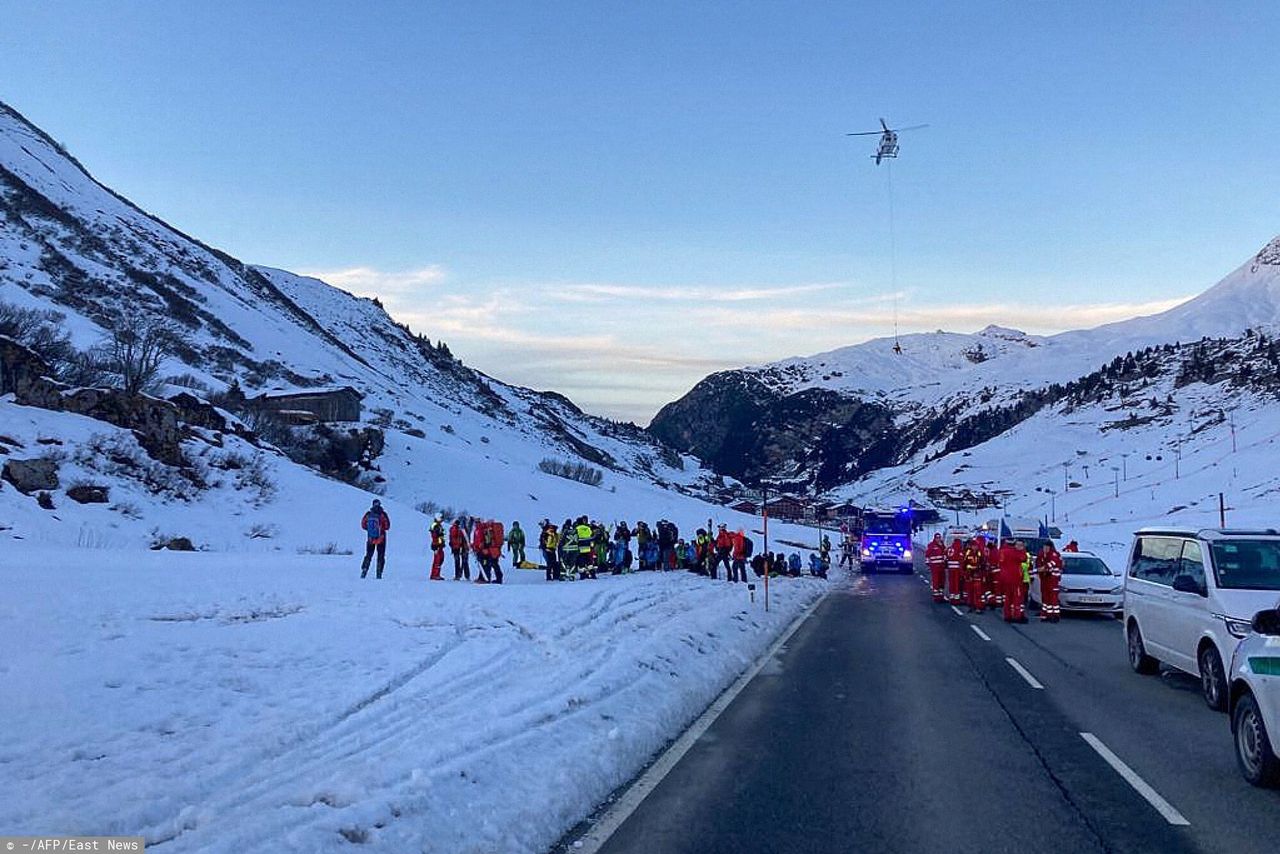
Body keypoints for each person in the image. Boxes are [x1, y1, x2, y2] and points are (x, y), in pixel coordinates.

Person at [999, 539, 1030, 623]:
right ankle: (1017, 616)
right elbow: (1023, 558)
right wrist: (1023, 549)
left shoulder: (1002, 551)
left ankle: (1007, 615)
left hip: (1005, 578)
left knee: (1008, 598)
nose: (1020, 547)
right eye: (1018, 545)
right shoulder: (1015, 552)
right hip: (1015, 579)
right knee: (1017, 598)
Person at [360, 499, 390, 579]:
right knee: (380, 555)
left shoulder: (369, 514)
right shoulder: (383, 514)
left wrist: (369, 530)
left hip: (370, 538)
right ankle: (379, 573)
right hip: (381, 538)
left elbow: (363, 525)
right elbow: (387, 527)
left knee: (368, 555)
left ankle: (364, 570)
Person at [1036, 542, 1064, 622]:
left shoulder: (1054, 554)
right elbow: (1038, 563)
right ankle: (1045, 615)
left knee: (1053, 599)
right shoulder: (1041, 554)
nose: (1045, 549)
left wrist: (1043, 568)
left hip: (1053, 580)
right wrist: (1039, 568)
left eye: (1047, 547)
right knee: (1045, 598)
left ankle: (1055, 616)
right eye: (1044, 547)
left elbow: (1053, 563)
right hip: (1045, 579)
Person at [964, 538, 986, 613]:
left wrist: (981, 573)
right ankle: (970, 606)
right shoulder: (968, 552)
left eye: (975, 546)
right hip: (969, 574)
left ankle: (978, 607)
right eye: (973, 546)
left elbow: (983, 563)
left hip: (978, 574)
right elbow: (964, 563)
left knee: (978, 592)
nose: (974, 547)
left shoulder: (980, 553)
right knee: (970, 592)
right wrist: (966, 573)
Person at [925, 533, 947, 603]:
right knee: (936, 581)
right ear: (934, 538)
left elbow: (945, 554)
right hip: (934, 567)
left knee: (942, 581)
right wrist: (928, 564)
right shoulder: (931, 545)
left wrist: (945, 563)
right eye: (937, 538)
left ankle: (941, 596)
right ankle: (936, 597)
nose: (938, 539)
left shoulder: (942, 546)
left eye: (939, 538)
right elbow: (927, 555)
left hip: (942, 566)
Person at [946, 537, 965, 606]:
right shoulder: (959, 549)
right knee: (956, 584)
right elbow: (961, 560)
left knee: (951, 583)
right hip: (956, 569)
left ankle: (952, 597)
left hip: (950, 569)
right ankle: (956, 600)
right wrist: (962, 572)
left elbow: (945, 558)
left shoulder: (949, 548)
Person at [428, 514, 446, 581]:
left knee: (441, 559)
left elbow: (440, 536)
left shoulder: (439, 525)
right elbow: (435, 536)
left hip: (440, 545)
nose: (442, 520)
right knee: (437, 560)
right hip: (437, 545)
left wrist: (442, 542)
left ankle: (437, 574)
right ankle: (434, 575)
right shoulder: (435, 525)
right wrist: (438, 544)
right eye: (441, 518)